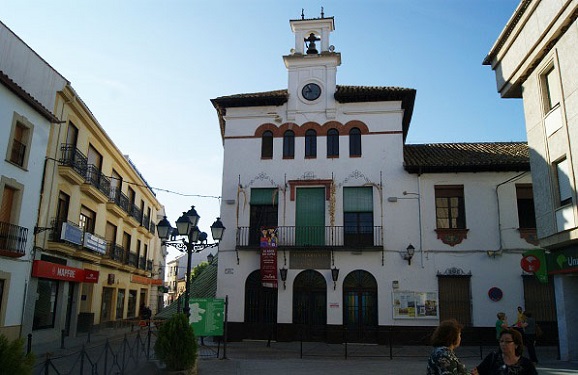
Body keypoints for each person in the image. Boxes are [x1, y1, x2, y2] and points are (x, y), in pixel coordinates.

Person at [471, 328, 537, 375]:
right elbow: (478, 372)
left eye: (507, 341)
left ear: (516, 344)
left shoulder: (526, 364)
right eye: (501, 341)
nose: (503, 344)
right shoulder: (493, 358)